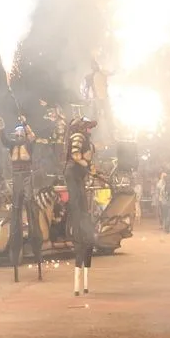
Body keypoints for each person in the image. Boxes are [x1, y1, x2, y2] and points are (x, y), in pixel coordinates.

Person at [0, 113, 41, 282]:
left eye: (21, 133)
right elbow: (2, 139)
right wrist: (0, 128)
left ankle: (34, 236)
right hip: (16, 177)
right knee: (16, 206)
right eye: (18, 133)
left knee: (29, 201)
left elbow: (33, 137)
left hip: (27, 176)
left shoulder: (28, 144)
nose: (19, 135)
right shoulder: (12, 145)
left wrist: (26, 123)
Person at [65, 116, 98, 296]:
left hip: (78, 176)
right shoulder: (78, 136)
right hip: (73, 174)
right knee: (77, 204)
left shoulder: (84, 138)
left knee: (83, 205)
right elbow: (76, 156)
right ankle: (77, 229)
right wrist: (88, 165)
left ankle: (84, 229)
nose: (89, 130)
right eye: (87, 127)